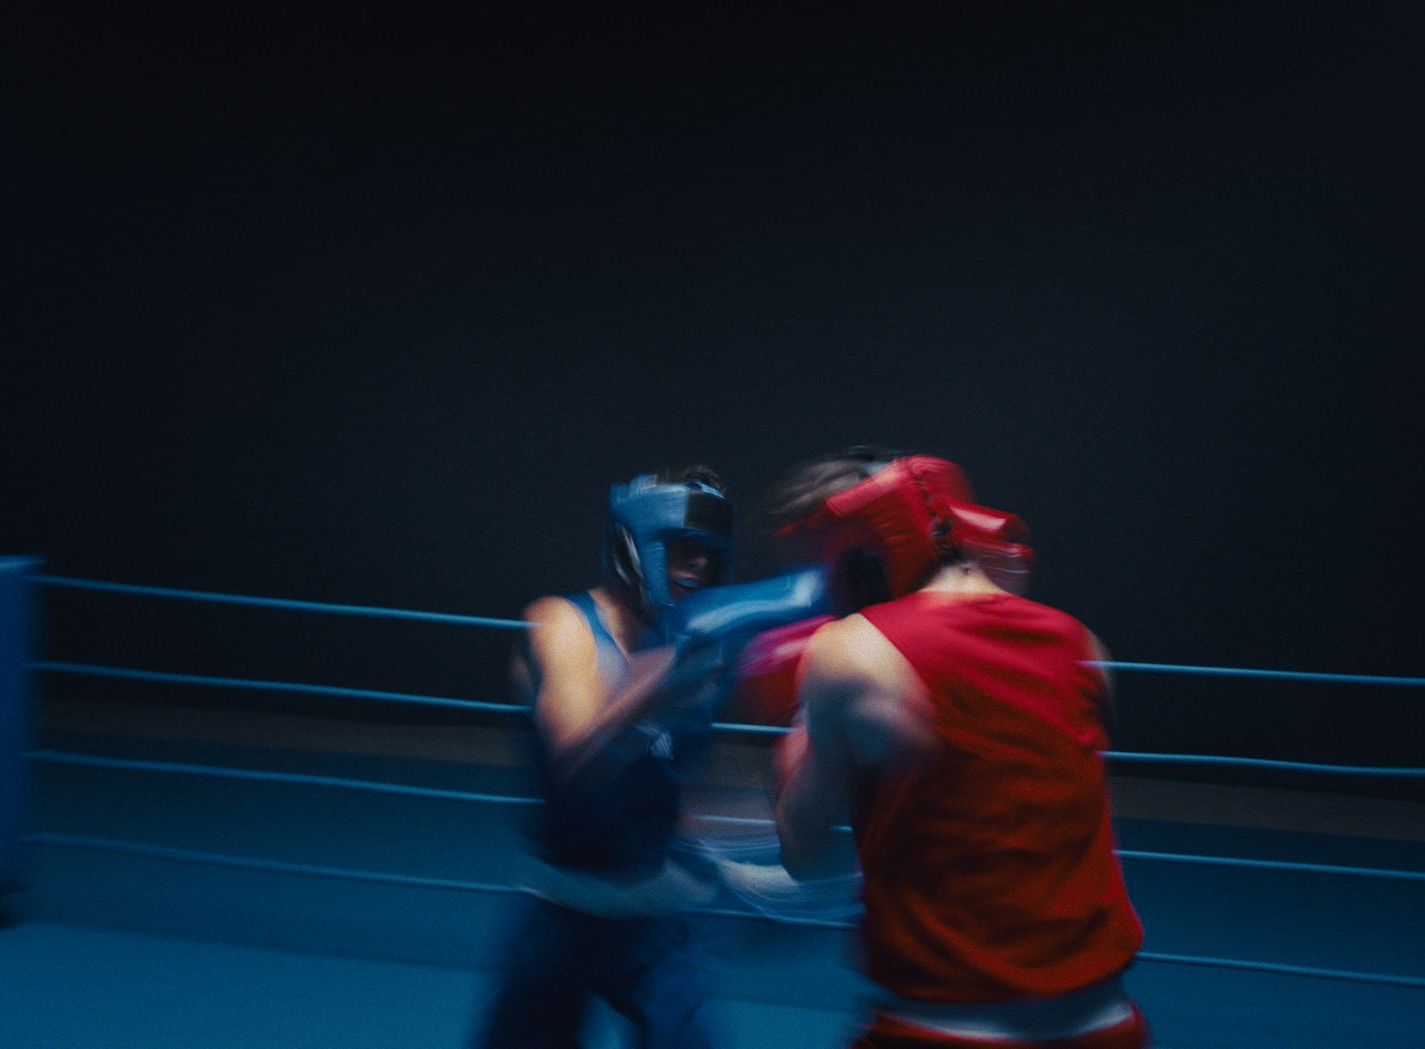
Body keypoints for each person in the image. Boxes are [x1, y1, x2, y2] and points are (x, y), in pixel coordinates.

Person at [762, 448, 1150, 1049]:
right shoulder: (1083, 644)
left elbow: (802, 850)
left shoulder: (849, 652)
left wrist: (799, 732)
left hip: (943, 1030)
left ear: (857, 558)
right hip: (1110, 1024)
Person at [476, 465, 737, 1049]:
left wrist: (745, 843)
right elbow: (574, 760)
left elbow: (677, 781)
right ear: (633, 545)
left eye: (708, 555)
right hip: (563, 911)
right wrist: (666, 675)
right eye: (681, 550)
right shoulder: (563, 624)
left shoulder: (689, 646)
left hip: (653, 918)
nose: (697, 567)